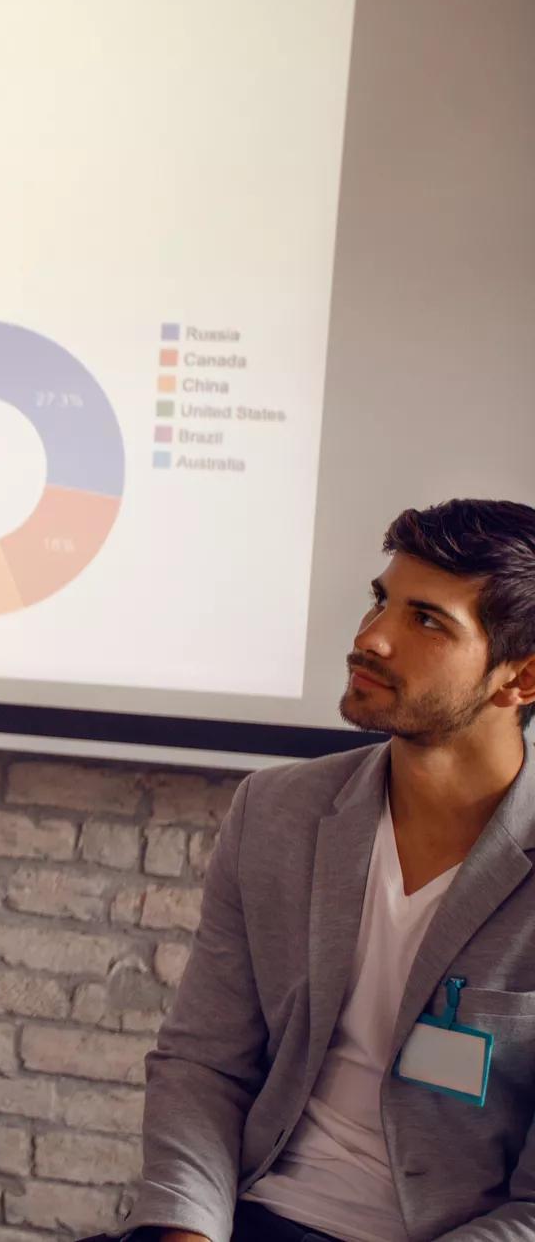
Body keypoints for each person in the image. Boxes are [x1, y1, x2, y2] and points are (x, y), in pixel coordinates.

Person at [126, 499, 535, 1242]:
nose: (371, 637)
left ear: (523, 678)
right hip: (246, 1213)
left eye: (427, 620)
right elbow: (202, 1064)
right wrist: (186, 1231)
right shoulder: (276, 810)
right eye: (381, 600)